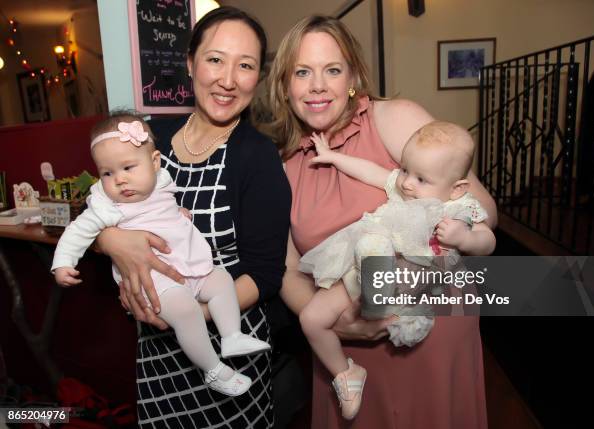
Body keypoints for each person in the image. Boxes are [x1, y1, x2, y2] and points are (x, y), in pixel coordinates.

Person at [268, 15, 496, 428]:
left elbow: (482, 209)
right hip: (344, 352)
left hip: (429, 331)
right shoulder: (284, 166)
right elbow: (286, 270)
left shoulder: (394, 118)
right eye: (302, 72)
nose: (317, 85)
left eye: (332, 70)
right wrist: (341, 323)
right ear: (286, 85)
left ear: (352, 76)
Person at [96, 7, 291, 428]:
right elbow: (101, 203)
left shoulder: (257, 158)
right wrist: (112, 241)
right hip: (155, 356)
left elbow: (266, 274)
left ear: (257, 78)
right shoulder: (153, 138)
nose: (228, 79)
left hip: (226, 344)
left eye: (245, 66)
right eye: (215, 59)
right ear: (190, 63)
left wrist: (187, 317)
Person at [52, 113, 271, 397]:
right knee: (185, 310)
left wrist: (177, 213)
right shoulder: (105, 205)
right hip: (154, 283)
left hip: (189, 264)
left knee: (220, 280)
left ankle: (231, 335)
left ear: (155, 163)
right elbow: (77, 231)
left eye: (128, 167)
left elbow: (166, 208)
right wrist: (62, 263)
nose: (120, 180)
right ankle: (214, 369)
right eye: (108, 173)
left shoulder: (162, 182)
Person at [296, 122, 495, 419]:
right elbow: (370, 171)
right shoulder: (402, 189)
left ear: (456, 189)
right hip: (363, 266)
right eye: (404, 170)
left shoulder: (458, 207)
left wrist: (465, 238)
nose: (407, 184)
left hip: (414, 279)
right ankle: (346, 374)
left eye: (421, 179)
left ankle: (389, 307)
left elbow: (487, 240)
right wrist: (333, 156)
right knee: (311, 318)